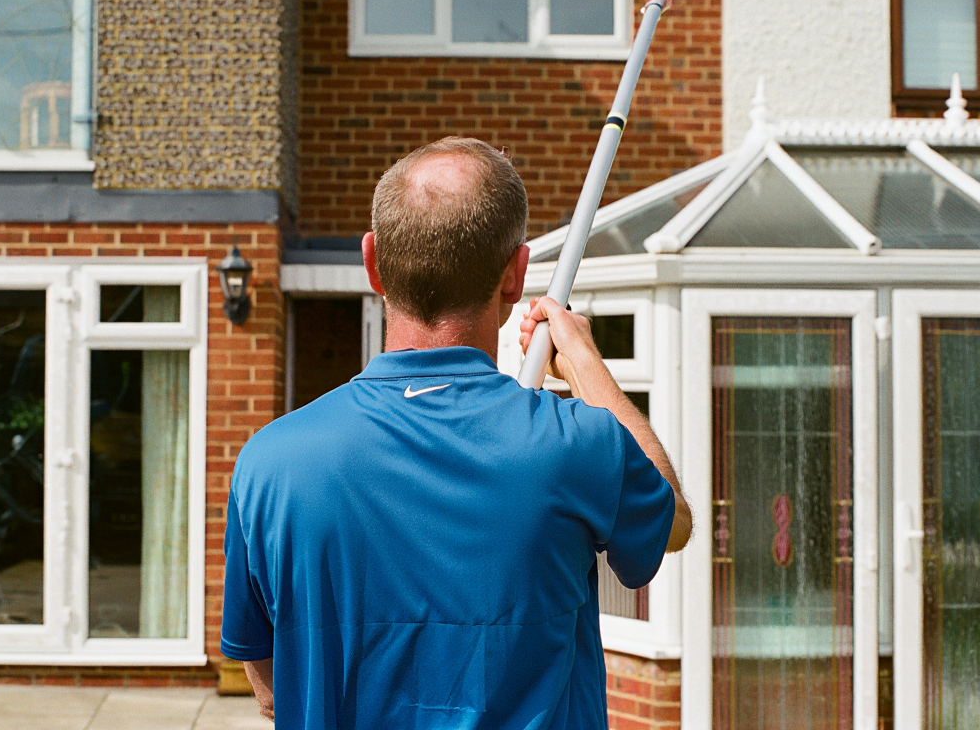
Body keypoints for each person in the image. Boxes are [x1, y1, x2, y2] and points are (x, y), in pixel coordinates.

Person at [221, 136, 692, 728]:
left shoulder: (269, 462)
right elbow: (672, 519)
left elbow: (266, 683)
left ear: (372, 263)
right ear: (515, 276)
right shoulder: (575, 444)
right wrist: (583, 362)